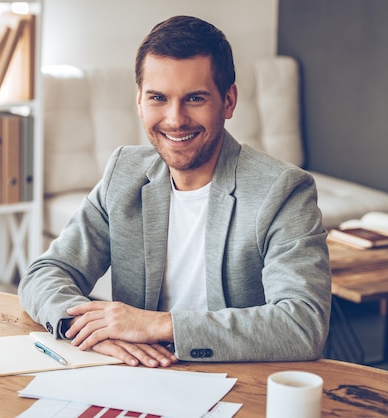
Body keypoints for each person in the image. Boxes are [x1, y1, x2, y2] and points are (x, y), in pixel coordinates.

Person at [19, 15, 331, 368]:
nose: (174, 119)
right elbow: (46, 272)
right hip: (138, 375)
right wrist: (90, 331)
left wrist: (155, 324)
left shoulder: (284, 190)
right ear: (139, 101)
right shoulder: (125, 172)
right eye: (158, 98)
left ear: (228, 101)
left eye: (195, 98)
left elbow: (302, 324)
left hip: (238, 382)